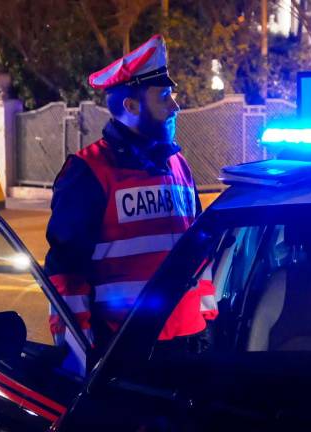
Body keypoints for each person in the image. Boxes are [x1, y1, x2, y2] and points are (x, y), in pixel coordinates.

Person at [44, 35, 217, 361]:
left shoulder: (178, 165)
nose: (175, 107)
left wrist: (206, 321)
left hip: (186, 344)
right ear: (131, 106)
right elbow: (65, 273)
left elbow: (199, 252)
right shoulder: (88, 171)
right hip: (123, 348)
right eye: (164, 97)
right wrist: (75, 354)